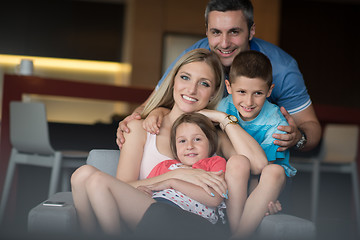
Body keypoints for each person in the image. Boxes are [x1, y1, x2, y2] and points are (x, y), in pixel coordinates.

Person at [71, 48, 270, 239]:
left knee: (94, 179)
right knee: (82, 175)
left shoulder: (213, 135)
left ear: (214, 92)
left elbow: (258, 164)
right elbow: (123, 188)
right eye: (185, 77)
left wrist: (222, 117)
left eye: (204, 84)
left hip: (193, 224)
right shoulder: (141, 129)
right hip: (147, 215)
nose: (191, 89)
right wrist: (176, 175)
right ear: (173, 81)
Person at [116, 0, 321, 153]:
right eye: (216, 32)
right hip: (204, 155)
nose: (224, 43)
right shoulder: (195, 57)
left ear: (251, 31)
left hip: (261, 160)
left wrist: (298, 139)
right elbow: (149, 105)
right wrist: (132, 123)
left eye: (234, 32)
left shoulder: (282, 68)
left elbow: (311, 128)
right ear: (206, 31)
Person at [143, 112, 230, 225]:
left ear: (210, 142)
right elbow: (147, 188)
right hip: (155, 209)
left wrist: (172, 183)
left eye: (197, 139)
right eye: (182, 141)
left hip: (192, 221)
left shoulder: (214, 163)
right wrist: (142, 190)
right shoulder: (165, 166)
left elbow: (215, 199)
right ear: (175, 146)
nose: (189, 146)